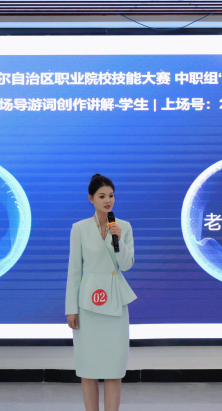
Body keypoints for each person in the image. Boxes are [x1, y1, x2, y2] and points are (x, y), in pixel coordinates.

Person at [66, 173, 137, 411]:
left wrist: (118, 240)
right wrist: (71, 308)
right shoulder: (79, 228)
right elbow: (74, 271)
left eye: (111, 196)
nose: (108, 200)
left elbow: (126, 264)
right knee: (88, 370)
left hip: (115, 302)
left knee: (114, 370)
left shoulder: (123, 227)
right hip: (88, 305)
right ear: (91, 198)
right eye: (102, 196)